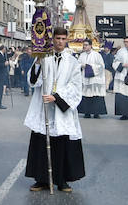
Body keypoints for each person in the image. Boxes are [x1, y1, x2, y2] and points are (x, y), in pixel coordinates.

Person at [23, 28, 86, 192]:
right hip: (44, 108)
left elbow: (76, 86)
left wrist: (57, 97)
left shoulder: (73, 62)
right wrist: (37, 62)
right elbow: (33, 80)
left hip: (61, 109)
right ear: (53, 39)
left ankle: (62, 180)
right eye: (57, 38)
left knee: (63, 144)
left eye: (63, 38)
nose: (60, 41)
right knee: (42, 143)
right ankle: (41, 179)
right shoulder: (45, 58)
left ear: (66, 40)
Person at [76, 38, 107, 118]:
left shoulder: (96, 55)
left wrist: (90, 67)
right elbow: (77, 65)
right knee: (86, 95)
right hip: (85, 79)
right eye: (84, 45)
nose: (84, 47)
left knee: (95, 95)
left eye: (86, 45)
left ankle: (96, 113)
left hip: (95, 79)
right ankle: (87, 112)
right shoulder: (82, 55)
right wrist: (81, 66)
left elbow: (101, 66)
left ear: (90, 46)